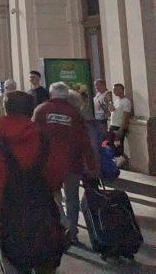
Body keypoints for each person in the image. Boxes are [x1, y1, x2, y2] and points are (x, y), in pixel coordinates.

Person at [0, 91, 64, 274]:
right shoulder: (44, 138)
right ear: (31, 110)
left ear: (5, 110)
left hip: (8, 222)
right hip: (44, 219)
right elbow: (56, 178)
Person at [32, 81, 97, 246]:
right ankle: (72, 231)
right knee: (72, 198)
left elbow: (33, 137)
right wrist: (92, 165)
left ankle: (62, 224)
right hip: (72, 163)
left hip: (48, 164)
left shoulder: (41, 110)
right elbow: (85, 141)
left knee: (53, 196)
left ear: (51, 94)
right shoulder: (74, 114)